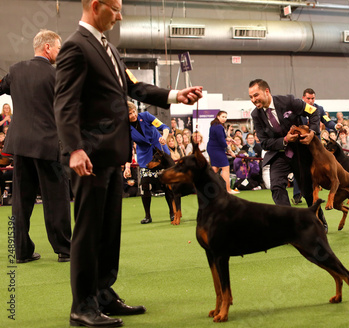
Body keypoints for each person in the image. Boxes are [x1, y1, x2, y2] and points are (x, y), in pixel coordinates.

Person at [53, 1, 203, 326]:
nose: (120, 16)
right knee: (88, 231)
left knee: (109, 231)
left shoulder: (108, 49)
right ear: (96, 6)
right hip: (89, 158)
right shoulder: (75, 48)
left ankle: (103, 295)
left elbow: (134, 88)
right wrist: (74, 149)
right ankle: (82, 306)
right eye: (116, 8)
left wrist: (176, 96)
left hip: (112, 155)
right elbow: (64, 103)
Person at [0, 29, 72, 264]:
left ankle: (21, 251)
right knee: (56, 200)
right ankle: (64, 249)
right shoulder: (57, 75)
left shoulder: (15, 70)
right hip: (48, 146)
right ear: (48, 47)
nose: (60, 54)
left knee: (20, 201)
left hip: (20, 145)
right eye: (59, 48)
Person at [249, 79, 327, 230]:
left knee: (307, 191)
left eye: (256, 95)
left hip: (300, 152)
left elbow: (314, 112)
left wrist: (312, 132)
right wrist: (284, 140)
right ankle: (290, 226)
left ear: (266, 91)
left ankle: (319, 221)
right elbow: (264, 142)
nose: (253, 100)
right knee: (276, 187)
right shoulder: (256, 115)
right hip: (278, 154)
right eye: (251, 97)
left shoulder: (289, 101)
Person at [124, 101, 172, 224]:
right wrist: (127, 166)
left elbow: (164, 127)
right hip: (145, 157)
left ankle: (172, 212)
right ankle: (147, 216)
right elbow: (128, 149)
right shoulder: (125, 128)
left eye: (134, 111)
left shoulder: (145, 116)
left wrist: (164, 138)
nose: (133, 115)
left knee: (166, 185)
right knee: (145, 185)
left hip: (160, 153)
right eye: (129, 113)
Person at [207, 111, 238, 194]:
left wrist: (229, 139)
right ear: (218, 116)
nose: (224, 119)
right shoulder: (219, 127)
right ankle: (227, 190)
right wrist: (230, 151)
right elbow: (221, 141)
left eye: (225, 117)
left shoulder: (215, 125)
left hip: (213, 148)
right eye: (223, 116)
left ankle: (206, 188)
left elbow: (221, 137)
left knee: (215, 169)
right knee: (225, 168)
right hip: (216, 149)